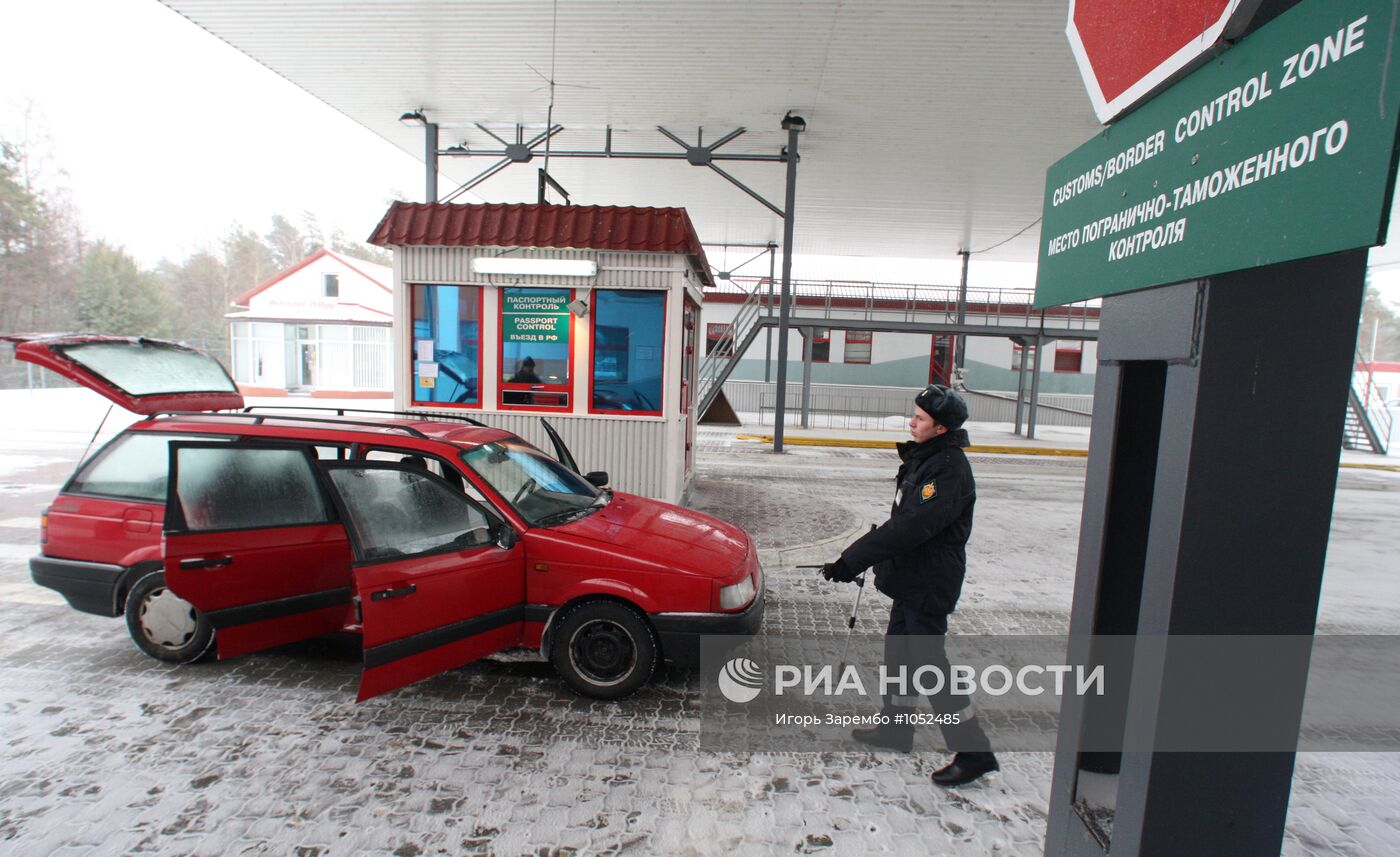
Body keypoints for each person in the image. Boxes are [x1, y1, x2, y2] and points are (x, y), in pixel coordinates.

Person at [821, 383, 998, 787]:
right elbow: (904, 525)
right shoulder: (928, 459)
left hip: (929, 582)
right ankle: (896, 728)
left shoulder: (948, 470)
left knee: (930, 665)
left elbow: (910, 527)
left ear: (940, 429)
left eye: (919, 418)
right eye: (913, 415)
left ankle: (974, 751)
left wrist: (852, 560)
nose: (911, 422)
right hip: (911, 578)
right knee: (900, 655)